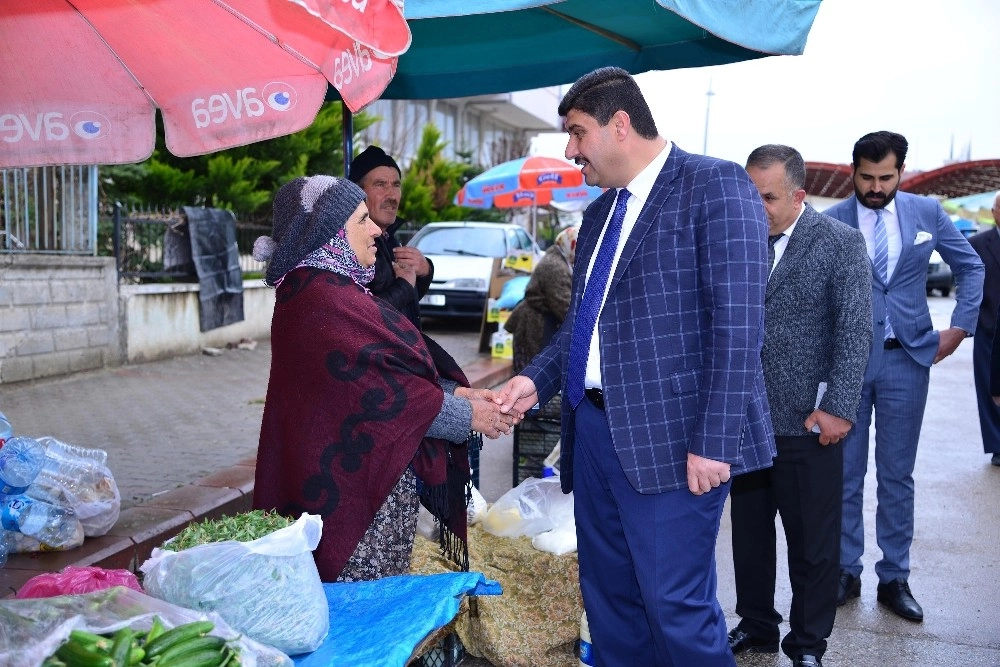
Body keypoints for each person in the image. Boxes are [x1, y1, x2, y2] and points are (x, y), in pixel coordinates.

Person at [498, 66, 776, 667]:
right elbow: (584, 325)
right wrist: (535, 378)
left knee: (673, 605)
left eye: (576, 133)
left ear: (619, 124)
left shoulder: (716, 185)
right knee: (610, 601)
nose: (570, 151)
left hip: (679, 439)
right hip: (594, 433)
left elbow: (740, 326)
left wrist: (714, 440)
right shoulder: (599, 214)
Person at [251, 175, 517, 583]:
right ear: (331, 234)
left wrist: (459, 392)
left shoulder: (332, 290)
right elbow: (386, 394)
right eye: (362, 220)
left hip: (362, 494)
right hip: (351, 508)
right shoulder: (320, 300)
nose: (377, 229)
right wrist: (468, 416)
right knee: (358, 613)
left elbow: (391, 371)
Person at [824, 131, 984, 622]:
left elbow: (971, 267)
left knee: (897, 475)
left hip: (908, 361)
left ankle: (894, 576)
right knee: (846, 476)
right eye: (867, 177)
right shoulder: (832, 222)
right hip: (848, 366)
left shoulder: (927, 214)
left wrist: (958, 330)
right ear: (853, 172)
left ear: (901, 173)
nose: (875, 187)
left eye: (885, 177)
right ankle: (846, 571)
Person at [727, 145, 872, 667]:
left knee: (812, 544)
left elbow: (855, 329)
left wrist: (839, 406)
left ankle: (808, 644)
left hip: (807, 423)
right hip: (742, 421)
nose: (755, 205)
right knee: (749, 536)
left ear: (798, 195)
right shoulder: (737, 241)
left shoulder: (840, 243)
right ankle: (758, 625)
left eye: (767, 196)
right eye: (750, 193)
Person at [348, 145, 433, 329]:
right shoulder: (349, 245)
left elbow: (408, 300)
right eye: (380, 184)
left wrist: (425, 270)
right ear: (357, 193)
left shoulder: (389, 238)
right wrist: (403, 284)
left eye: (396, 185)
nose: (391, 195)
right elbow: (360, 317)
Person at [504, 224, 579, 374]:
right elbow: (564, 307)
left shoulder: (559, 259)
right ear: (571, 245)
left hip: (538, 321)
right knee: (531, 374)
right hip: (534, 324)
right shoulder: (555, 266)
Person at [967, 193, 1000, 467]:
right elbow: (967, 281)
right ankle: (997, 444)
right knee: (990, 388)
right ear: (994, 212)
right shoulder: (977, 244)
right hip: (989, 326)